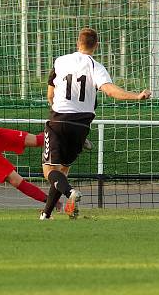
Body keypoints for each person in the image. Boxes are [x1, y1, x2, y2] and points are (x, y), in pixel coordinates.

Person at [39, 28, 150, 220]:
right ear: (96, 45)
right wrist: (136, 96)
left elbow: (50, 94)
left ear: (77, 42)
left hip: (58, 120)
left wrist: (57, 109)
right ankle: (46, 215)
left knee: (49, 170)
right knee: (62, 170)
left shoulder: (60, 61)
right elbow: (110, 91)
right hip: (82, 126)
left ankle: (70, 193)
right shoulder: (95, 66)